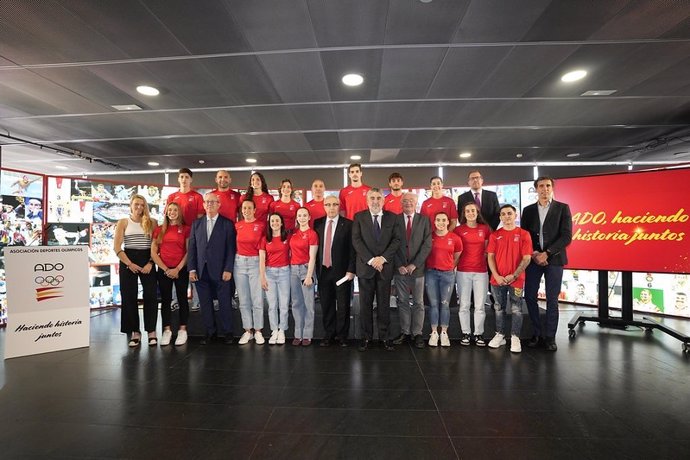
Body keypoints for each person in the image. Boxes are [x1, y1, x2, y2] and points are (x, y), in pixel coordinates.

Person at [521, 176, 573, 352]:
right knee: (529, 296)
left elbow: (566, 236)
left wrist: (547, 253)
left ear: (552, 188)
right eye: (541, 186)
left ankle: (550, 336)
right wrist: (535, 253)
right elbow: (525, 236)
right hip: (534, 259)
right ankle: (537, 332)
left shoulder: (562, 208)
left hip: (555, 259)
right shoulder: (528, 211)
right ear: (536, 189)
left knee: (552, 300)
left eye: (548, 186)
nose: (544, 189)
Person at [352, 188, 401, 351]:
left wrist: (382, 258)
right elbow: (357, 241)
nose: (375, 201)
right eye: (372, 198)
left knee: (384, 305)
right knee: (365, 305)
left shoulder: (392, 218)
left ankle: (385, 337)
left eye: (378, 198)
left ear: (383, 201)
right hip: (366, 268)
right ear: (367, 201)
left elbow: (396, 240)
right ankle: (366, 337)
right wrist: (372, 260)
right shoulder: (359, 217)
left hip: (385, 268)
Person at [188, 193, 237, 345]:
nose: (209, 204)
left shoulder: (227, 224)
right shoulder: (196, 224)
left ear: (219, 204)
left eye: (213, 202)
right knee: (205, 304)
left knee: (224, 303)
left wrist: (228, 269)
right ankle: (210, 332)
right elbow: (192, 248)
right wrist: (192, 269)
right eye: (207, 202)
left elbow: (231, 249)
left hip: (222, 271)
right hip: (201, 271)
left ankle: (227, 332)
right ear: (203, 205)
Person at [113, 194, 158, 347]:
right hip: (128, 259)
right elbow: (117, 247)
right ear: (131, 205)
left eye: (142, 204)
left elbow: (156, 247)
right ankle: (135, 332)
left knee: (151, 295)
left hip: (147, 258)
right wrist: (129, 263)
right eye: (136, 204)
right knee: (129, 296)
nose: (139, 207)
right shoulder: (123, 222)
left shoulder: (152, 222)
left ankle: (151, 331)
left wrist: (151, 263)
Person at [487, 205, 532, 353]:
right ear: (500, 217)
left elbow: (526, 258)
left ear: (515, 215)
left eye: (510, 213)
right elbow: (490, 257)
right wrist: (496, 275)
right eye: (503, 214)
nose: (507, 216)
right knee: (499, 308)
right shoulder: (494, 235)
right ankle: (499, 334)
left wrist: (514, 275)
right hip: (497, 280)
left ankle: (515, 337)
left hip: (516, 280)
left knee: (516, 309)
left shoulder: (524, 234)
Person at [313, 196, 356, 347]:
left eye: (335, 205)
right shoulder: (317, 223)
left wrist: (351, 270)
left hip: (342, 273)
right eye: (328, 205)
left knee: (343, 305)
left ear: (339, 206)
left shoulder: (349, 224)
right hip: (323, 271)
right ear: (323, 206)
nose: (331, 207)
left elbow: (352, 250)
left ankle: (343, 336)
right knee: (326, 304)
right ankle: (329, 334)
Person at [392, 192, 431, 349]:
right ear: (401, 203)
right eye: (405, 201)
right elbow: (391, 244)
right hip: (400, 269)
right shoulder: (394, 220)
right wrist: (398, 265)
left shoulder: (424, 220)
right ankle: (405, 332)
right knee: (402, 302)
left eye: (411, 201)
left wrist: (414, 264)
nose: (408, 203)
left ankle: (417, 333)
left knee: (418, 302)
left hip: (418, 269)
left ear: (416, 203)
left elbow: (427, 244)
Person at [151, 202, 191, 346]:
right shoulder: (159, 230)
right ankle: (166, 331)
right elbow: (153, 253)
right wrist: (166, 269)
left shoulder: (186, 229)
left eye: (175, 210)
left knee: (182, 299)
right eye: (170, 210)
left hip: (180, 270)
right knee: (166, 300)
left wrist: (177, 269)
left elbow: (188, 252)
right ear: (166, 212)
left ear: (179, 212)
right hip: (164, 270)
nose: (172, 212)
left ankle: (182, 330)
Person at [454, 201, 491, 346]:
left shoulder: (485, 229)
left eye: (473, 210)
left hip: (481, 272)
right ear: (464, 213)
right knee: (464, 304)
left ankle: (478, 334)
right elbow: (456, 251)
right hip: (463, 271)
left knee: (480, 305)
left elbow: (488, 251)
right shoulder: (458, 230)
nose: (470, 213)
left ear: (477, 213)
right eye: (467, 211)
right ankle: (466, 333)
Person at [426, 212, 463, 347]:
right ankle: (434, 332)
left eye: (443, 220)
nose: (440, 223)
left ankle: (444, 333)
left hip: (447, 275)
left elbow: (457, 255)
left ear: (448, 222)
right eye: (438, 220)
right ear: (434, 222)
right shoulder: (429, 237)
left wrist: (449, 267)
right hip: (431, 274)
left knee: (445, 304)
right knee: (434, 304)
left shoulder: (455, 238)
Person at [234, 200, 266, 344]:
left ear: (254, 210)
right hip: (239, 264)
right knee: (244, 299)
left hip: (255, 264)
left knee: (257, 299)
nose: (246, 210)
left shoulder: (261, 226)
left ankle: (258, 330)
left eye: (249, 208)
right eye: (244, 208)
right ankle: (248, 330)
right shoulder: (237, 225)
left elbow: (264, 248)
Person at [259, 213, 290, 345]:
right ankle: (274, 330)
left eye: (277, 220)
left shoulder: (287, 237)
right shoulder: (265, 239)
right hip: (269, 273)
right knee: (272, 305)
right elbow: (261, 260)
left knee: (283, 305)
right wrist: (262, 278)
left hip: (284, 273)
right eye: (272, 221)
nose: (275, 223)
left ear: (282, 223)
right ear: (269, 223)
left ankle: (282, 329)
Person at [289, 207, 319, 346]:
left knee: (308, 304)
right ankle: (298, 334)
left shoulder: (312, 234)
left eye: (304, 215)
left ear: (309, 217)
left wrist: (309, 276)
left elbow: (313, 257)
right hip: (293, 270)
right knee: (296, 303)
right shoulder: (293, 234)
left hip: (306, 270)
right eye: (299, 215)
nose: (301, 218)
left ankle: (307, 335)